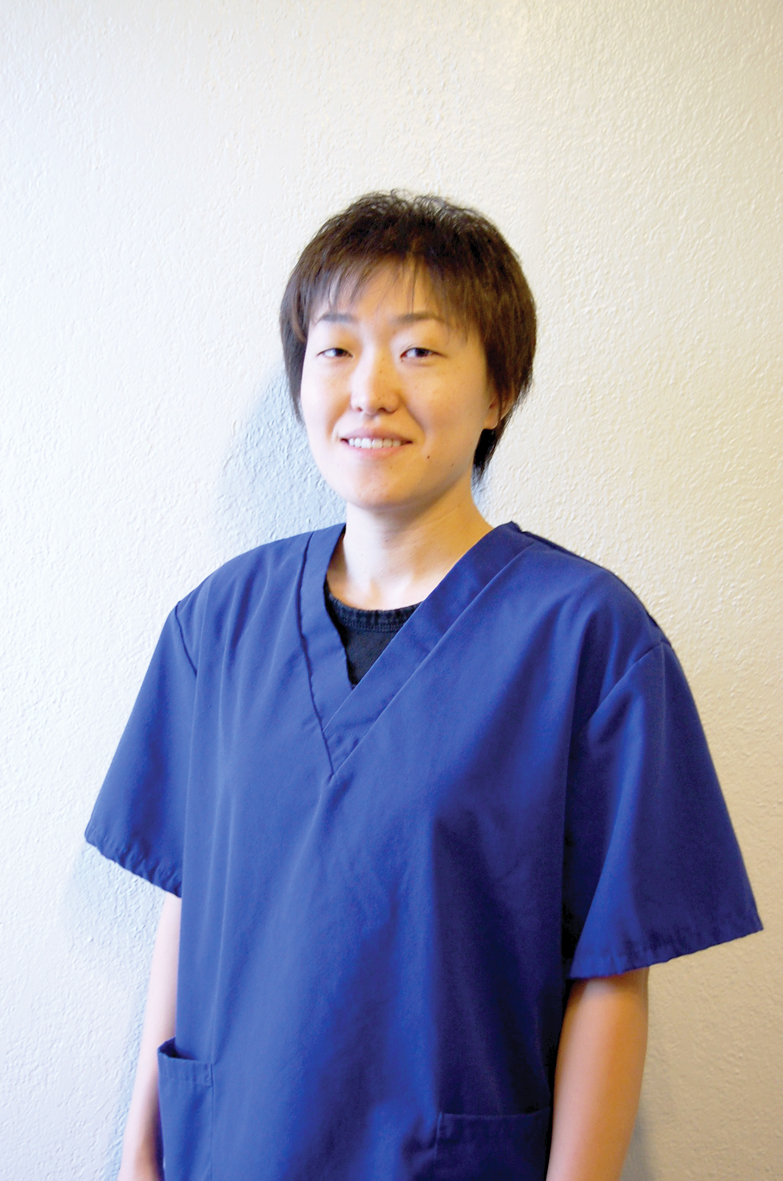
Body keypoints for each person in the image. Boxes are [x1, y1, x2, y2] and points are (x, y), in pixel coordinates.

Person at [86, 192, 761, 1181]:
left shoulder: (588, 638)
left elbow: (612, 973)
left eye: (418, 350)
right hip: (229, 1148)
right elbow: (189, 904)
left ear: (499, 392)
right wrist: (139, 1154)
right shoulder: (216, 624)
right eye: (335, 348)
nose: (370, 389)